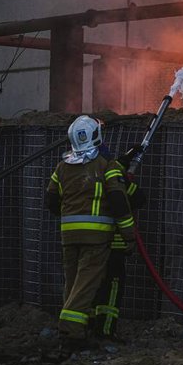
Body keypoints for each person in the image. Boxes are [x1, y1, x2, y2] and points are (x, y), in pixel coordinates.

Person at [45, 115, 136, 351]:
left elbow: (51, 201)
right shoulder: (106, 165)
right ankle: (71, 330)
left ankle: (78, 327)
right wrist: (129, 235)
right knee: (86, 283)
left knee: (73, 283)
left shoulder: (62, 167)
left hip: (68, 236)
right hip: (96, 238)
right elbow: (119, 202)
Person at [91, 144, 146, 344]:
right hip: (112, 246)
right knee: (112, 287)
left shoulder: (83, 175)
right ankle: (105, 331)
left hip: (90, 245)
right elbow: (137, 199)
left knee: (90, 286)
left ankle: (88, 327)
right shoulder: (114, 179)